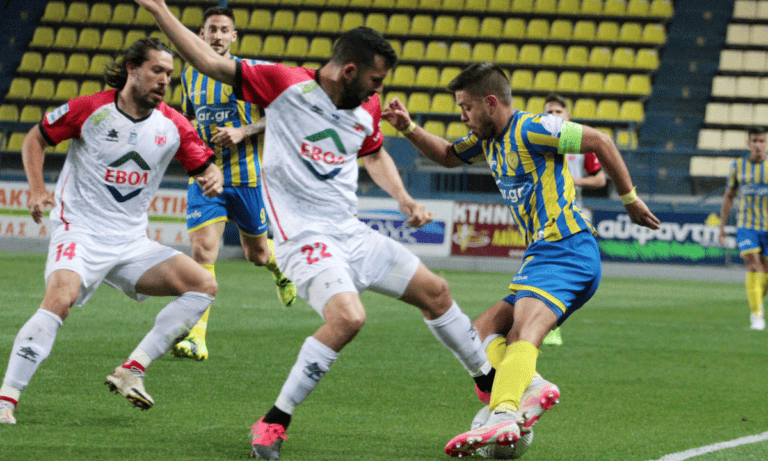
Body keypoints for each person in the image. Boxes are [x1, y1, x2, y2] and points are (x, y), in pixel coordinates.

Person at [134, 1, 496, 459]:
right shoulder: (285, 84)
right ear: (349, 71)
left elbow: (374, 153)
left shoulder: (366, 105)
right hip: (302, 239)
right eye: (375, 80)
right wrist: (160, 10)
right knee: (349, 318)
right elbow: (208, 61)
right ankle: (273, 421)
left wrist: (404, 198)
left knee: (437, 292)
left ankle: (490, 385)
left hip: (350, 233)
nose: (378, 90)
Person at [382, 62, 659, 457]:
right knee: (479, 333)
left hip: (566, 247)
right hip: (546, 253)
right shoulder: (487, 141)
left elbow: (600, 141)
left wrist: (630, 199)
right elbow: (446, 155)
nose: (462, 116)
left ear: (491, 103)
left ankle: (503, 413)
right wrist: (408, 127)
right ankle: (531, 387)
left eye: (466, 107)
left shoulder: (534, 128)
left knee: (521, 334)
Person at [0, 37, 224, 425]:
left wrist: (213, 176)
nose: (164, 80)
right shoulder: (91, 110)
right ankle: (7, 398)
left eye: (169, 74)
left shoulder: (174, 125)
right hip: (79, 231)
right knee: (61, 298)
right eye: (157, 70)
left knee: (203, 285)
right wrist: (37, 188)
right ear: (133, 69)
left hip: (131, 242)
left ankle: (131, 370)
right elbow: (36, 138)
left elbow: (204, 166)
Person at [172, 6, 297, 362]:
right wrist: (192, 147)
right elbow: (189, 117)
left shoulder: (251, 73)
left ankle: (281, 270)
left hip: (247, 178)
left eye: (224, 30)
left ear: (234, 36)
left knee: (257, 255)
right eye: (211, 29)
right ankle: (197, 338)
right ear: (202, 34)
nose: (217, 36)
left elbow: (283, 114)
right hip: (206, 175)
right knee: (202, 251)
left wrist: (245, 131)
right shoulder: (190, 75)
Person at [539, 93, 608, 346]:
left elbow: (600, 179)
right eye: (549, 112)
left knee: (584, 274)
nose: (553, 115)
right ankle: (545, 324)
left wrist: (573, 180)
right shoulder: (538, 140)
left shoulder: (578, 142)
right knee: (547, 271)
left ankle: (551, 321)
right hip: (543, 215)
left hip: (573, 214)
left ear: (567, 116)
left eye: (558, 112)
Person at [719, 126, 768, 331]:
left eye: (761, 141)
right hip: (746, 225)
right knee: (753, 265)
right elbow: (729, 196)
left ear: (766, 143)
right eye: (754, 141)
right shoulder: (738, 166)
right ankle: (757, 315)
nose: (758, 145)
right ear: (748, 143)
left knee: (765, 271)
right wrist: (722, 225)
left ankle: (756, 302)